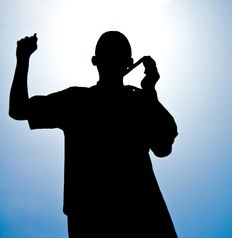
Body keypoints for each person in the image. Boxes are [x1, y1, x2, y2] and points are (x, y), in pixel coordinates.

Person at [9, 31, 178, 237]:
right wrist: (23, 58)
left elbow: (163, 147)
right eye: (110, 54)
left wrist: (150, 93)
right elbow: (18, 110)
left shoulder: (135, 102)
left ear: (95, 61)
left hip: (134, 212)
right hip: (106, 213)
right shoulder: (79, 100)